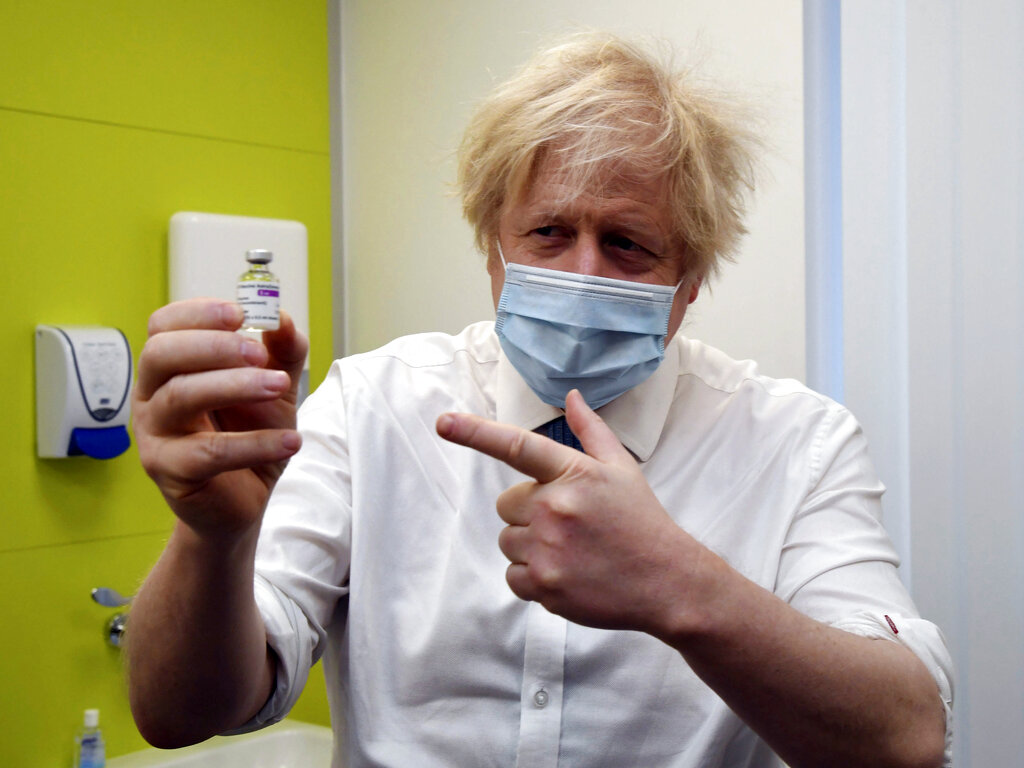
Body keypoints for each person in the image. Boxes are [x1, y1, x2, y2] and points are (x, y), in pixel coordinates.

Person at [127, 31, 953, 768]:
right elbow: (178, 716)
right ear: (494, 248)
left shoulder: (796, 445)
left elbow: (905, 736)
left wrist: (682, 586)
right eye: (549, 233)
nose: (582, 274)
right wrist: (214, 541)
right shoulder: (370, 407)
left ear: (691, 281)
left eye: (627, 244)